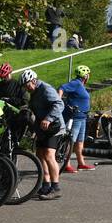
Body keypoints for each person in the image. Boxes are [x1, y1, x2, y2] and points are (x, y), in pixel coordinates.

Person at [21, 68, 65, 199]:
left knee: (49, 155)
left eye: (27, 84)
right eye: (25, 86)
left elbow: (59, 104)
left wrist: (48, 119)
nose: (26, 88)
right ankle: (46, 185)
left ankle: (56, 187)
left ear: (34, 80)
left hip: (54, 127)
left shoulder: (46, 89)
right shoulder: (33, 92)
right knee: (40, 154)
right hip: (42, 128)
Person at [58, 65, 95, 173]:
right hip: (75, 117)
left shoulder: (81, 85)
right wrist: (59, 101)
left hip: (82, 117)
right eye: (88, 75)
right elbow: (62, 88)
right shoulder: (76, 83)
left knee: (80, 142)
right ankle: (67, 164)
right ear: (86, 76)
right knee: (71, 141)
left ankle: (81, 163)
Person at [0, 62, 29, 145]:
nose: (3, 79)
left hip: (15, 114)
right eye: (1, 78)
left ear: (10, 74)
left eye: (5, 77)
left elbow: (25, 101)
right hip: (1, 114)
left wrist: (9, 100)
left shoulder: (18, 85)